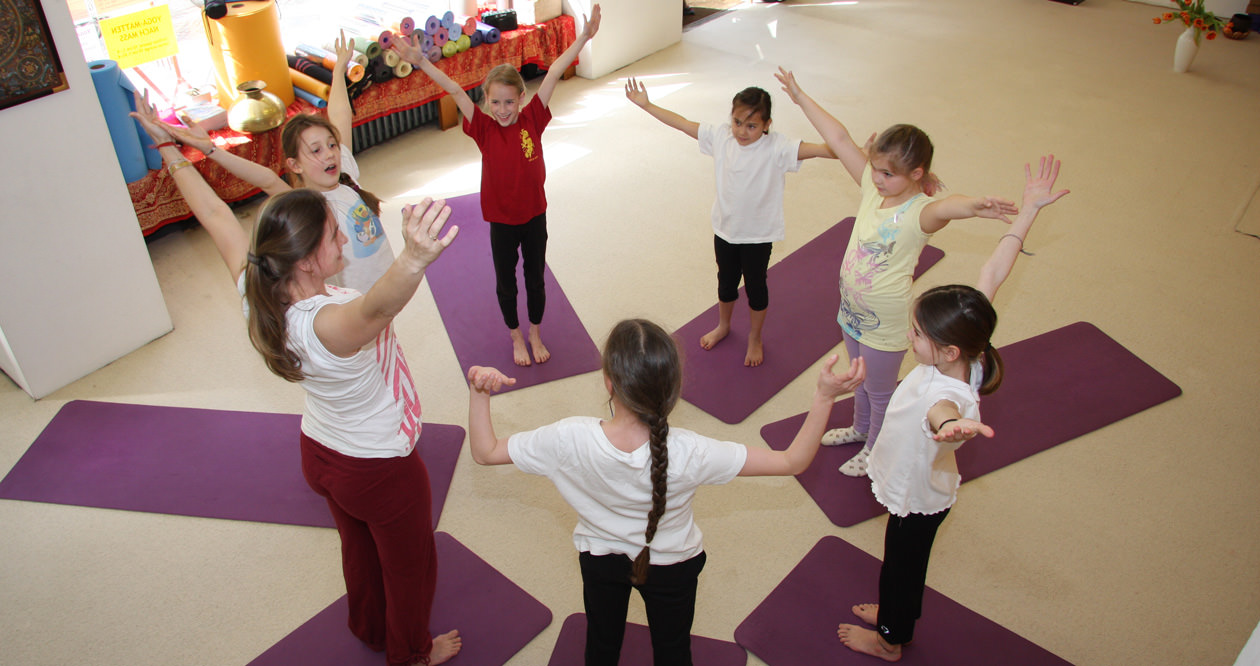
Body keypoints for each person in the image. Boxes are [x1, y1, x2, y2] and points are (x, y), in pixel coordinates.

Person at [130, 90, 462, 666]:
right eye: (333, 236)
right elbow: (377, 310)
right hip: (377, 466)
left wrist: (170, 148)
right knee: (410, 568)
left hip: (322, 453)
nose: (342, 238)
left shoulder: (258, 284)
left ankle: (366, 623)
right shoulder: (327, 324)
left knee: (358, 549)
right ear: (308, 258)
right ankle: (409, 652)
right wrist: (412, 258)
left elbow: (214, 217)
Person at [467, 319, 866, 665]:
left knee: (601, 645)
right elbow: (791, 462)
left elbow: (485, 453)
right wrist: (825, 397)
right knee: (673, 650)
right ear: (673, 388)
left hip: (601, 561)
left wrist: (479, 394)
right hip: (673, 566)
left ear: (608, 381)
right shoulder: (692, 451)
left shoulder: (567, 438)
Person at [835, 155, 1069, 662]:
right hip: (922, 482)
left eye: (916, 334)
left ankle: (891, 639)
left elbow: (943, 411)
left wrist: (953, 427)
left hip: (917, 493)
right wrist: (1028, 209)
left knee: (901, 566)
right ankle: (896, 613)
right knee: (901, 564)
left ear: (947, 351)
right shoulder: (971, 341)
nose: (911, 338)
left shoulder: (949, 391)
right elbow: (995, 268)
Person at [775, 67, 1019, 477]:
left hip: (885, 321)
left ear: (917, 175)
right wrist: (799, 96)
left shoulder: (918, 213)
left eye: (889, 174)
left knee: (880, 389)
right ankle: (860, 427)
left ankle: (876, 448)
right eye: (876, 169)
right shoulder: (873, 189)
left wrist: (974, 205)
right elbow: (838, 138)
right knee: (857, 379)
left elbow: (947, 206)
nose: (878, 179)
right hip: (851, 309)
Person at [392, 6, 601, 367]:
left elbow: (552, 72)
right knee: (507, 283)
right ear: (485, 103)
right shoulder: (484, 129)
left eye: (509, 101)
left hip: (535, 215)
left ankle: (535, 330)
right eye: (495, 102)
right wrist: (421, 61)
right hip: (502, 222)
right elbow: (456, 90)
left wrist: (583, 37)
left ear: (521, 98)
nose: (503, 109)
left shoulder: (533, 117)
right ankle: (515, 334)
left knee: (535, 279)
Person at [624, 79, 836, 367]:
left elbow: (821, 149)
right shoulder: (721, 137)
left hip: (758, 236)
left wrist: (857, 150)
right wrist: (647, 105)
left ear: (766, 124)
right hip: (725, 230)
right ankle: (724, 325)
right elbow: (683, 123)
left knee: (756, 288)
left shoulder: (778, 147)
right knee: (726, 282)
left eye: (751, 126)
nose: (741, 131)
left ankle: (755, 336)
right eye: (737, 122)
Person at [160, 32, 394, 294]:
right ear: (295, 165)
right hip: (355, 302)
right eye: (315, 151)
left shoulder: (346, 175)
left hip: (385, 281)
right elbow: (266, 179)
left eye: (330, 145)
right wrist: (212, 150)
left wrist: (339, 68)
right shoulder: (308, 207)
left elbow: (340, 115)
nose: (329, 154)